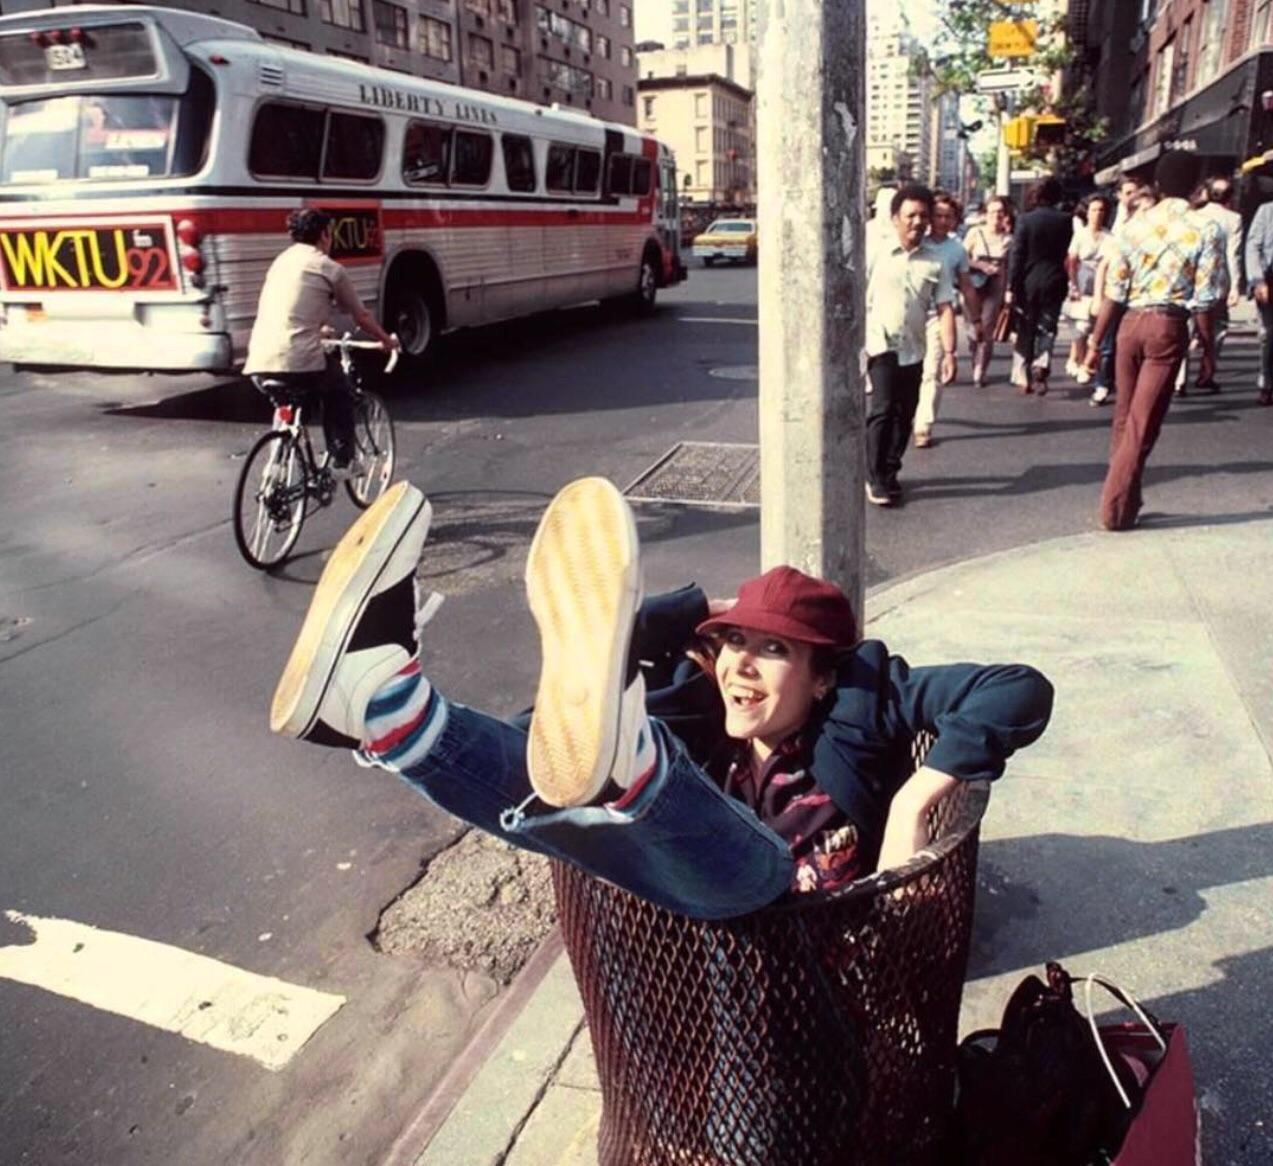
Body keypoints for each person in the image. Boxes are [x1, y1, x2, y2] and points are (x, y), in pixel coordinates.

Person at [268, 477, 1054, 921]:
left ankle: (633, 773)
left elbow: (1016, 689)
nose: (740, 668)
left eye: (772, 650)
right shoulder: (698, 701)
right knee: (562, 789)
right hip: (695, 929)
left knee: (755, 874)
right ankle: (389, 710)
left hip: (826, 941)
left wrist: (919, 797)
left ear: (821, 675)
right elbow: (533, 746)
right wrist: (702, 619)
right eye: (732, 645)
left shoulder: (861, 699)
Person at [1084, 151, 1224, 530]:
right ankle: (1113, 509)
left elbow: (1115, 289)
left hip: (1129, 324)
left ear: (1158, 185)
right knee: (1143, 423)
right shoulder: (1207, 229)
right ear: (1198, 187)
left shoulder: (1132, 226)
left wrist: (1096, 341)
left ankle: (1127, 502)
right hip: (1168, 325)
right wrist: (1209, 348)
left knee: (1125, 417)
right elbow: (1206, 296)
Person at [243, 208, 399, 470]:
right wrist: (386, 340)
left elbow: (289, 311)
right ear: (325, 235)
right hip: (298, 361)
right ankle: (342, 462)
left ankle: (275, 467)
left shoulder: (280, 262)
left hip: (258, 359)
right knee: (339, 389)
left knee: (286, 405)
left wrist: (318, 331)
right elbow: (360, 315)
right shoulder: (329, 268)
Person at [864, 184, 958, 506]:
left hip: (915, 347)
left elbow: (946, 307)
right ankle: (875, 476)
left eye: (923, 215)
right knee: (883, 408)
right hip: (880, 342)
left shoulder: (936, 262)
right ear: (895, 218)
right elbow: (855, 296)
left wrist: (949, 352)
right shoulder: (876, 253)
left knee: (905, 414)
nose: (917, 221)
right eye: (910, 215)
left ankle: (891, 471)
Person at [913, 191, 973, 449]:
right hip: (910, 315)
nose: (942, 220)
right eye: (938, 215)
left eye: (948, 216)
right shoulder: (916, 243)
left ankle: (923, 424)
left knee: (931, 371)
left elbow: (966, 285)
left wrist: (976, 318)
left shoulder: (957, 249)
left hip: (938, 316)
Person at [1005, 176, 1073, 395]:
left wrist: (1011, 286)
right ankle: (1042, 367)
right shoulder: (1065, 220)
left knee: (1025, 327)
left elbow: (1017, 255)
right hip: (1054, 280)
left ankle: (1022, 374)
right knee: (1048, 327)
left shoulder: (1025, 220)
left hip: (1028, 282)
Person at [1187, 175, 1243, 394]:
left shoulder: (1192, 216)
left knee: (1188, 326)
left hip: (1192, 280)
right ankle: (1206, 373)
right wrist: (1235, 285)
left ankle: (1179, 378)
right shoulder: (1233, 219)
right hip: (1217, 281)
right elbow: (1233, 255)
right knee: (1217, 329)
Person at [964, 195, 1015, 388]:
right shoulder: (975, 233)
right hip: (974, 283)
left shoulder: (1009, 239)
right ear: (985, 214)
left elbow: (1011, 266)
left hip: (996, 285)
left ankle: (980, 370)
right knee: (972, 328)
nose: (997, 216)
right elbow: (963, 258)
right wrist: (981, 265)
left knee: (987, 327)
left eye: (1000, 212)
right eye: (993, 211)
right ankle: (974, 357)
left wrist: (1009, 289)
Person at [1064, 194, 1113, 386]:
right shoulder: (1081, 234)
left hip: (1102, 283)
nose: (1097, 214)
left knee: (1096, 326)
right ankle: (1077, 358)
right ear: (1087, 212)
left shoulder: (1109, 236)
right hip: (1083, 280)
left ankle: (1086, 363)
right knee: (1081, 326)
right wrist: (1073, 284)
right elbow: (1072, 261)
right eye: (1094, 210)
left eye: (1101, 210)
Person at [1245, 195, 1273, 407]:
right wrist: (1257, 280)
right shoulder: (1266, 211)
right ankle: (1266, 382)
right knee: (1268, 334)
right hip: (1269, 280)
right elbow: (1253, 246)